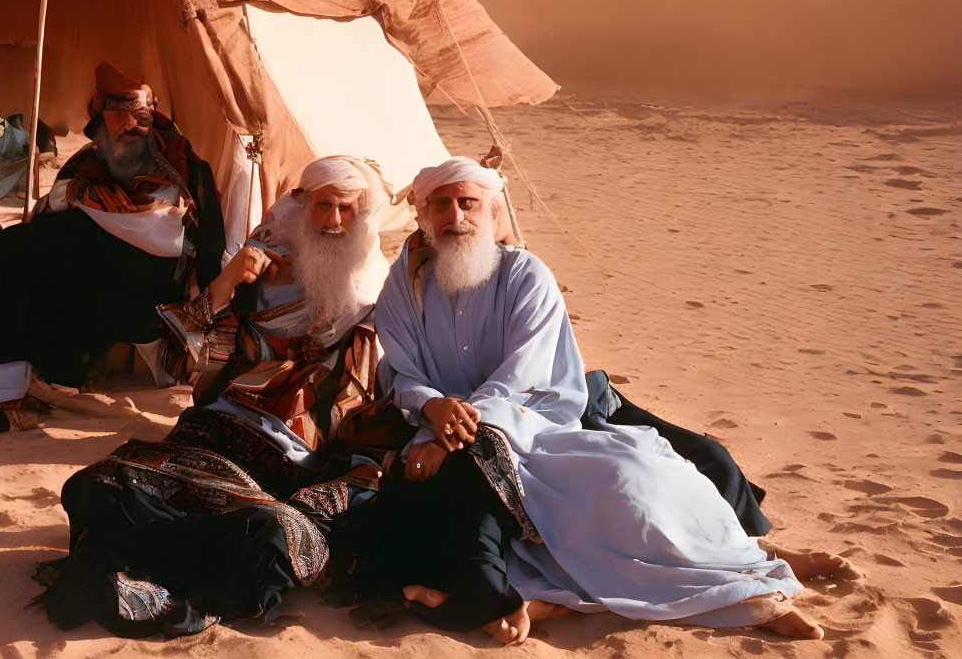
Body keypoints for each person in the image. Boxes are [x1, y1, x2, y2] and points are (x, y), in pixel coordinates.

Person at [358, 156, 854, 644]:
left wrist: (460, 425)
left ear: (492, 213)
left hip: (535, 426)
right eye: (441, 204)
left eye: (468, 202)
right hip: (434, 429)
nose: (456, 216)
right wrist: (431, 408)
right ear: (422, 217)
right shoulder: (404, 287)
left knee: (633, 479)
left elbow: (525, 373)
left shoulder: (527, 276)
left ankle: (751, 562)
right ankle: (740, 590)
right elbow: (400, 369)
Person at [32, 156, 407, 637]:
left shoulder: (375, 293)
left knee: (267, 538)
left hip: (284, 456)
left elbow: (371, 406)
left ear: (365, 213)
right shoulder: (261, 259)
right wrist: (226, 284)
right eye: (324, 206)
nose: (334, 220)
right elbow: (174, 357)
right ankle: (154, 558)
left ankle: (134, 559)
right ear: (302, 204)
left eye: (347, 209)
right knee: (92, 488)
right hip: (212, 426)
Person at [0, 60, 225, 440]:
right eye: (118, 115)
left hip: (149, 299)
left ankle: (2, 384)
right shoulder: (86, 163)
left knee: (36, 250)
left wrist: (204, 327)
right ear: (99, 122)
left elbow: (210, 252)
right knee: (12, 251)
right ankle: (0, 387)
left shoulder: (187, 171)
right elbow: (48, 218)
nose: (130, 125)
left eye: (139, 115)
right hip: (84, 283)